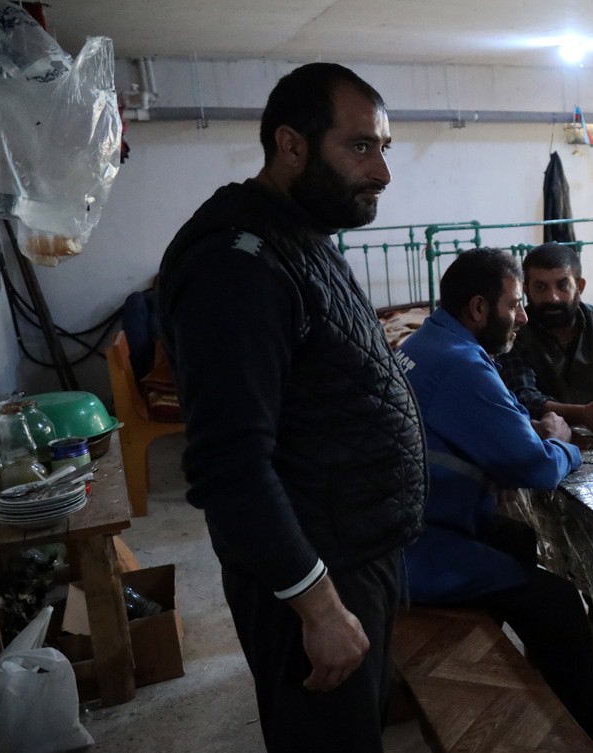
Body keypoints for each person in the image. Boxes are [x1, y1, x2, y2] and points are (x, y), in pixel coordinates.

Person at [157, 63, 426, 752]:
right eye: (360, 146)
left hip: (351, 545)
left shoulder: (294, 233)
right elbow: (229, 467)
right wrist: (318, 605)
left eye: (383, 148)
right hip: (313, 570)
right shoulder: (237, 264)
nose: (382, 172)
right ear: (291, 145)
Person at [396, 248, 593, 753]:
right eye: (517, 302)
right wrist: (563, 441)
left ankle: (547, 668)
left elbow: (499, 420)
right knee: (557, 600)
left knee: (519, 538)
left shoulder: (429, 341)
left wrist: (519, 441)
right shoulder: (462, 364)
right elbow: (537, 468)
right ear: (479, 308)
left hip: (414, 515)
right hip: (415, 544)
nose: (524, 314)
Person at [498, 242, 593, 439]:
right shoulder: (514, 332)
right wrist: (581, 414)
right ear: (527, 290)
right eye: (540, 287)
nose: (553, 297)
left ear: (579, 286)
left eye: (563, 285)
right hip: (545, 433)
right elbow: (524, 397)